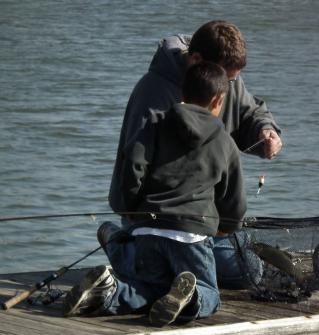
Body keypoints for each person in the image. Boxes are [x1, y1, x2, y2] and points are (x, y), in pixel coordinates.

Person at [63, 61, 246, 326]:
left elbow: (133, 165)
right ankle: (192, 297)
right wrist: (227, 227)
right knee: (211, 295)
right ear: (218, 100)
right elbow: (234, 200)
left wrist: (130, 207)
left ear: (182, 93)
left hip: (147, 229)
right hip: (191, 236)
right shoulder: (225, 141)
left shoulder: (154, 124)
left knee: (149, 289)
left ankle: (109, 293)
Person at [105, 20, 273, 289]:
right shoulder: (153, 94)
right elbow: (131, 172)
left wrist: (264, 131)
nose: (227, 87)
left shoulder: (229, 81)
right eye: (225, 81)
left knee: (246, 270)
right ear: (196, 59)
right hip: (153, 219)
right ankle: (121, 245)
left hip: (202, 220)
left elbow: (250, 113)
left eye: (232, 81)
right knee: (228, 274)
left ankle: (146, 265)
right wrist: (135, 216)